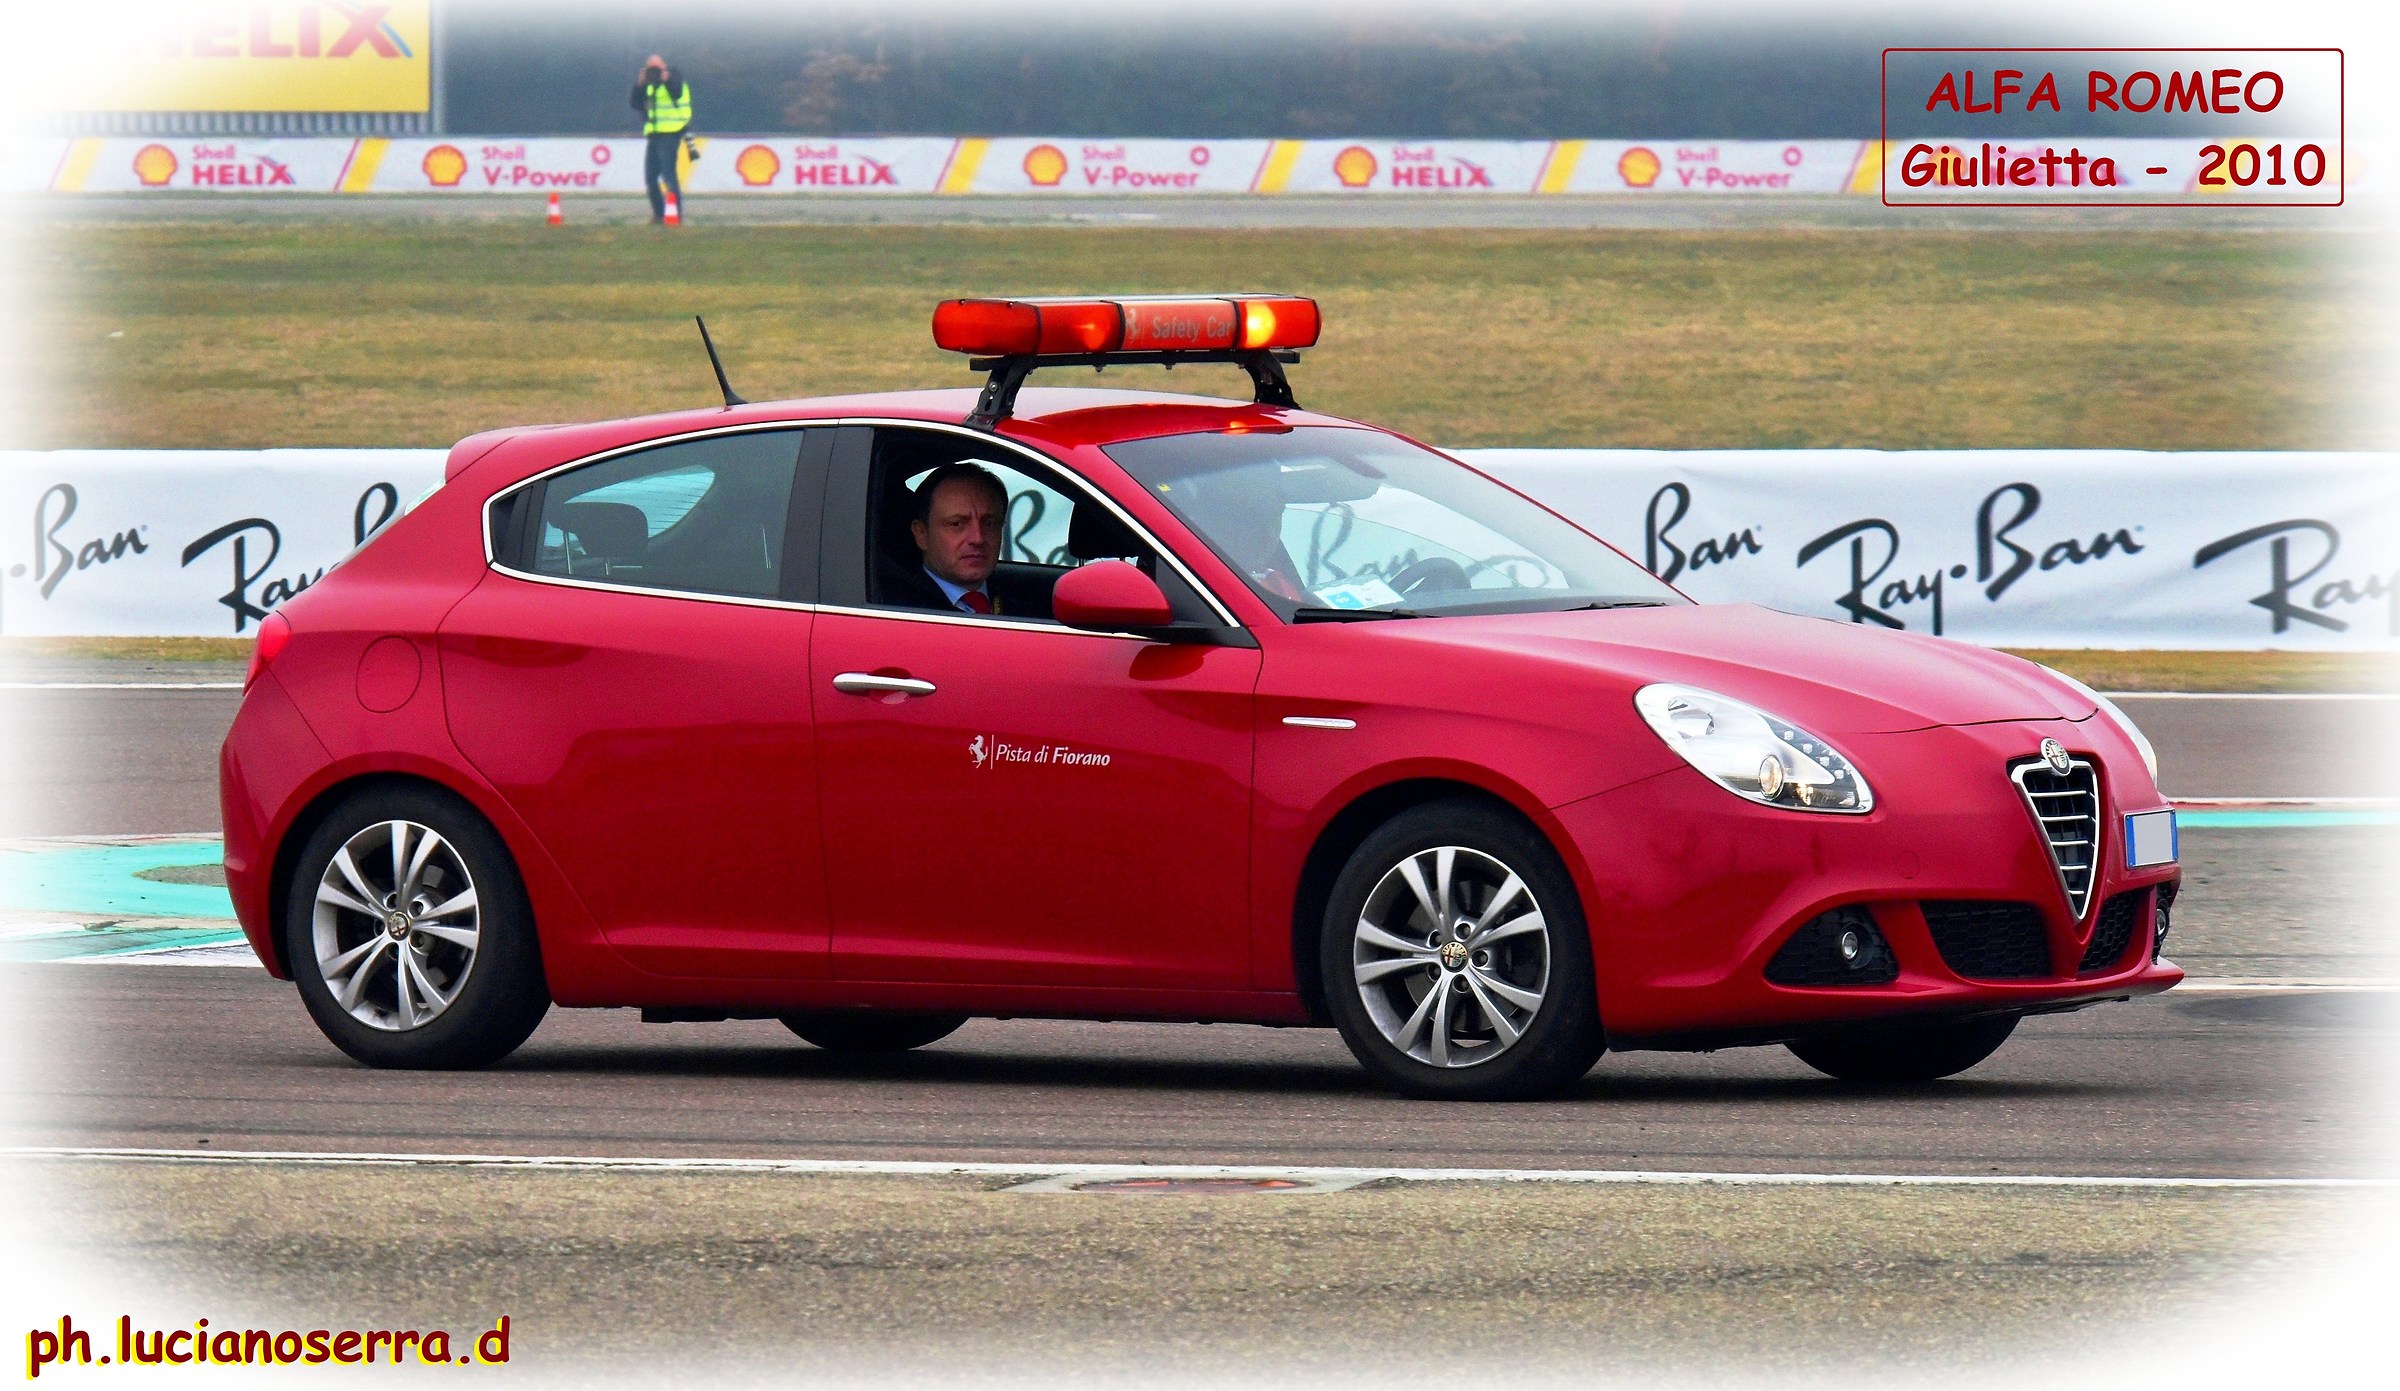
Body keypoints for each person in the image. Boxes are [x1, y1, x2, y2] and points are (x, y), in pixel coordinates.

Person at [885, 464, 1007, 615]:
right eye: (956, 524)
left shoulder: (1025, 612)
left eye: (989, 523)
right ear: (921, 533)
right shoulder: (897, 613)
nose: (978, 538)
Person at [631, 54, 692, 225]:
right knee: (650, 178)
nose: (654, 72)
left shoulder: (675, 76)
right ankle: (659, 214)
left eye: (656, 68)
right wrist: (639, 84)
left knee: (668, 176)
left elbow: (677, 92)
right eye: (650, 68)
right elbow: (635, 104)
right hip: (654, 134)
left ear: (664, 66)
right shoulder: (649, 84)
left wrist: (666, 79)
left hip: (671, 133)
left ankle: (675, 215)